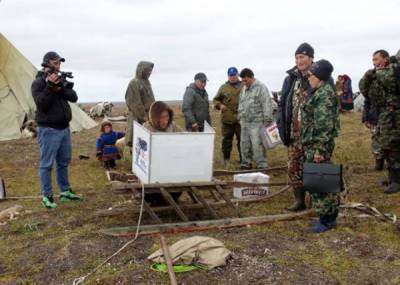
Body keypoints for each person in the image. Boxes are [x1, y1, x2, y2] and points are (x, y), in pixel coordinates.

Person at [31, 51, 81, 209]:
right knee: (46, 165)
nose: (58, 65)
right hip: (48, 129)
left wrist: (60, 88)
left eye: (60, 63)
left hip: (64, 128)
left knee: (63, 162)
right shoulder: (38, 83)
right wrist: (50, 88)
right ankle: (47, 196)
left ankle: (65, 192)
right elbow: (42, 105)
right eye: (55, 63)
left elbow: (73, 97)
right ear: (46, 63)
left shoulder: (60, 79)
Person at [302, 59, 340, 233]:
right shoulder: (320, 92)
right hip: (315, 142)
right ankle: (329, 217)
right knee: (324, 180)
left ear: (319, 77)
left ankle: (326, 220)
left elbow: (323, 125)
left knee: (320, 182)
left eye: (311, 75)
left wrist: (319, 150)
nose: (308, 77)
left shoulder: (323, 95)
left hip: (318, 144)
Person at [277, 43, 314, 212]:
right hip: (294, 133)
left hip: (312, 134)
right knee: (293, 167)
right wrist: (282, 127)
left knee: (314, 166)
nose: (299, 61)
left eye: (303, 57)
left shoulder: (319, 76)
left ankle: (318, 203)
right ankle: (299, 200)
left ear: (311, 58)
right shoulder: (290, 78)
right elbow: (283, 103)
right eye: (297, 57)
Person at [359, 50, 400, 194]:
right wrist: (367, 76)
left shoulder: (393, 70)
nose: (374, 63)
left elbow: (387, 79)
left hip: (394, 115)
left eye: (377, 59)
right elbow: (364, 90)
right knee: (386, 146)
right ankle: (392, 177)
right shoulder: (376, 74)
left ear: (386, 59)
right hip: (383, 115)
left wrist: (374, 74)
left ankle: (396, 181)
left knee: (392, 147)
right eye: (373, 60)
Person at [143, 101, 183, 205]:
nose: (164, 120)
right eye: (161, 117)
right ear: (154, 117)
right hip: (153, 171)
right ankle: (156, 199)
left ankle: (172, 197)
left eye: (166, 116)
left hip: (171, 167)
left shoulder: (172, 126)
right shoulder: (145, 129)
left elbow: (184, 138)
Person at [238, 68, 273, 169]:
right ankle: (246, 164)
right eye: (242, 81)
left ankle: (262, 165)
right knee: (244, 144)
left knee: (257, 145)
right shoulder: (244, 89)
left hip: (257, 122)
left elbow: (266, 104)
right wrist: (240, 115)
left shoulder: (261, 88)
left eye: (246, 80)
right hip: (244, 121)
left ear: (252, 77)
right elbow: (241, 102)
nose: (244, 83)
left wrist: (267, 120)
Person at [213, 67, 243, 167]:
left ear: (237, 75)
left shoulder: (244, 85)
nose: (232, 77)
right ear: (228, 76)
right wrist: (220, 105)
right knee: (227, 140)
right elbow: (216, 100)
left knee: (242, 140)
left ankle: (243, 161)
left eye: (234, 75)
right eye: (230, 75)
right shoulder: (223, 87)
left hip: (241, 119)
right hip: (227, 119)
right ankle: (226, 160)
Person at [125, 61, 155, 148]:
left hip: (148, 115)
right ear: (141, 70)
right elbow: (135, 103)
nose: (149, 73)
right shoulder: (134, 83)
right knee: (137, 140)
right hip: (137, 117)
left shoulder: (147, 82)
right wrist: (144, 117)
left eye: (150, 71)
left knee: (147, 141)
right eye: (147, 70)